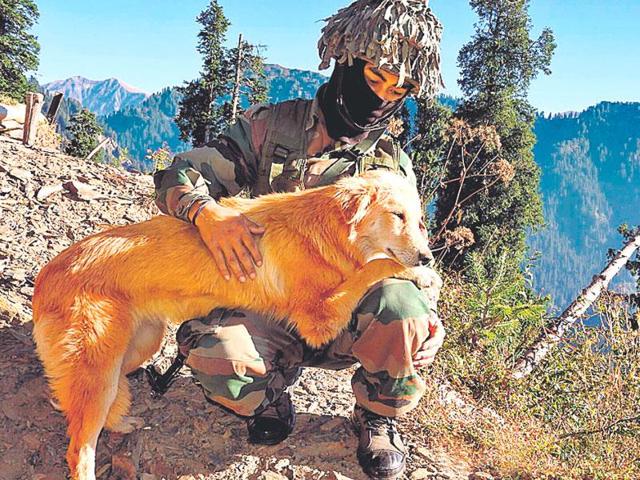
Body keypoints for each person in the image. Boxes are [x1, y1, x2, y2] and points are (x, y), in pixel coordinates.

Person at [153, 1, 445, 478]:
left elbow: (416, 254)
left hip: (343, 311)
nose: (384, 98)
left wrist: (430, 320)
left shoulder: (392, 167)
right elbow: (179, 174)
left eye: (401, 91)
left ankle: (378, 414)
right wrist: (207, 216)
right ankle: (268, 393)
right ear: (347, 60)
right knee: (212, 352)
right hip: (267, 301)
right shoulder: (273, 127)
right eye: (376, 79)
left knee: (404, 306)